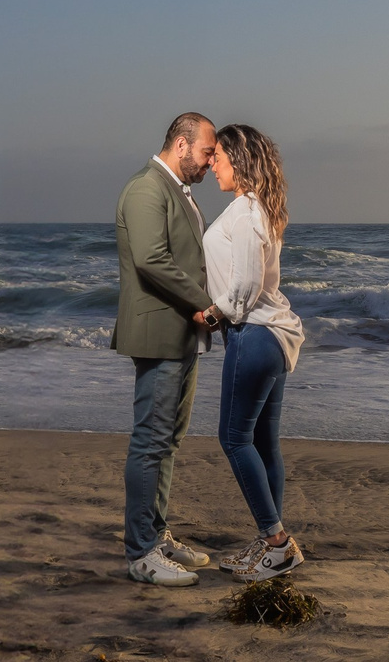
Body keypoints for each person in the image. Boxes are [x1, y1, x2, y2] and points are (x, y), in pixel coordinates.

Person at [112, 112, 221, 587]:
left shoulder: (176, 191)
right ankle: (140, 553)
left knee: (169, 441)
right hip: (159, 333)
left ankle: (156, 536)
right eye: (205, 152)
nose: (210, 160)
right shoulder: (146, 188)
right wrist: (206, 304)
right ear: (181, 145)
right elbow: (151, 260)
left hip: (182, 333)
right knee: (150, 440)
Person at [197, 124, 306, 581]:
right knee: (263, 442)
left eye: (217, 155)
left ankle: (277, 542)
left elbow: (245, 285)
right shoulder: (259, 208)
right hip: (275, 337)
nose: (210, 162)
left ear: (238, 159)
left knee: (232, 438)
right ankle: (270, 542)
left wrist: (211, 315)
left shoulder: (245, 210)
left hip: (254, 336)